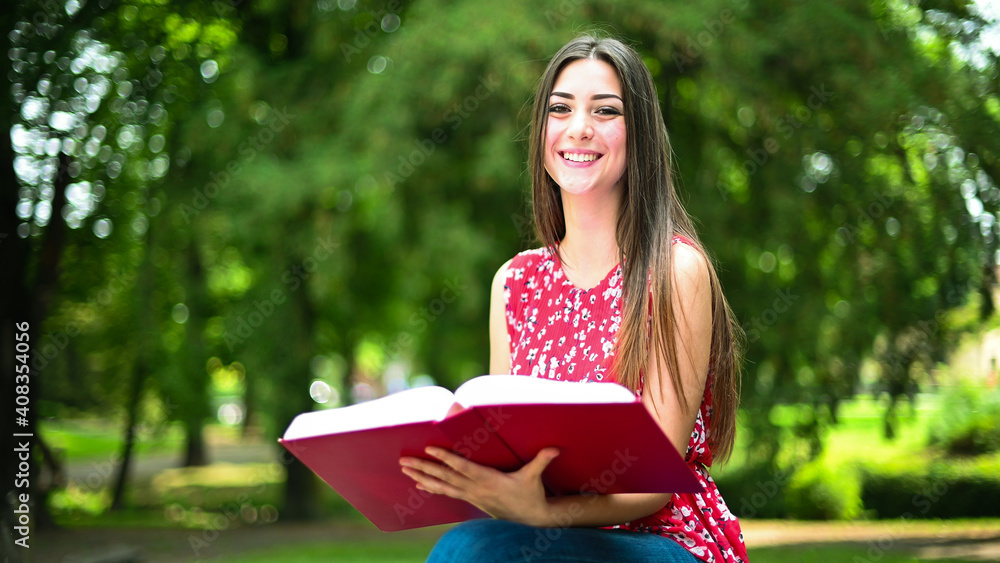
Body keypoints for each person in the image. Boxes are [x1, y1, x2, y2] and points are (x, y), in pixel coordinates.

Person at [399, 35, 747, 563]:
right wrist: (478, 482)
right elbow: (509, 464)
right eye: (560, 108)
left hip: (667, 542)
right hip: (549, 542)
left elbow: (651, 483)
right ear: (541, 133)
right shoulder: (513, 282)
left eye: (605, 110)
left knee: (466, 550)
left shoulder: (676, 270)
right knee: (475, 546)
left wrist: (542, 514)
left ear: (639, 136)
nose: (579, 126)